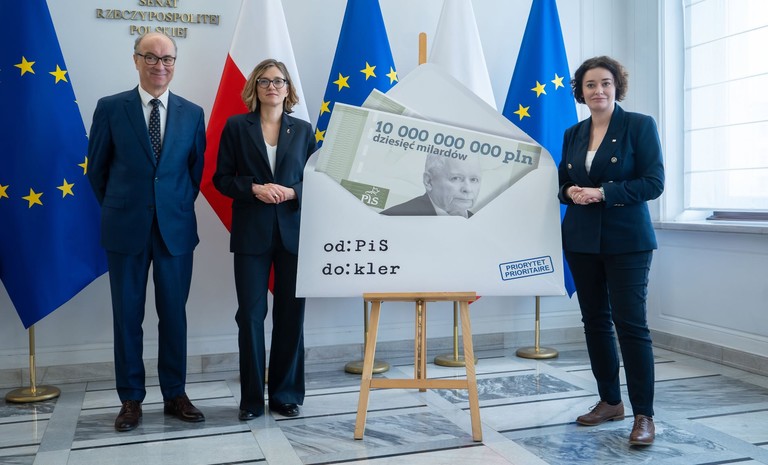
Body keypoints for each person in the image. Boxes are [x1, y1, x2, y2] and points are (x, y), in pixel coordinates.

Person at [87, 32, 206, 432]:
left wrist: (171, 206)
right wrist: (123, 206)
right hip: (125, 229)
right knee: (127, 316)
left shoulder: (192, 113)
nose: (160, 66)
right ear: (136, 60)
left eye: (167, 58)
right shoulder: (110, 108)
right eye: (151, 57)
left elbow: (194, 173)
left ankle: (175, 393)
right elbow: (97, 171)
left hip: (175, 230)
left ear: (175, 63)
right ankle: (131, 399)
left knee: (174, 315)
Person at [558, 56, 664, 446]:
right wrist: (570, 191)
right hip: (581, 240)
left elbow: (654, 182)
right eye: (590, 85)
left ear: (617, 86)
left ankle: (643, 415)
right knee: (595, 322)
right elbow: (563, 182)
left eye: (605, 83)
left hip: (627, 241)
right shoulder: (573, 132)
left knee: (631, 325)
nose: (598, 90)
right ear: (581, 92)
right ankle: (609, 402)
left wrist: (604, 193)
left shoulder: (639, 125)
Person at [213, 59, 315, 421]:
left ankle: (286, 395)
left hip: (293, 236)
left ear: (288, 89)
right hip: (251, 235)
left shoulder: (303, 130)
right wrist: (254, 188)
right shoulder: (236, 127)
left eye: (279, 81)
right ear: (254, 87)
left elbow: (316, 180)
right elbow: (221, 179)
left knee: (291, 317)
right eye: (265, 81)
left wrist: (292, 192)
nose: (272, 86)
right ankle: (252, 400)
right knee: (251, 317)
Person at [381, 154, 481, 217]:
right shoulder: (392, 217)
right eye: (456, 178)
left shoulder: (479, 223)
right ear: (428, 181)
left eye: (474, 180)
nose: (468, 189)